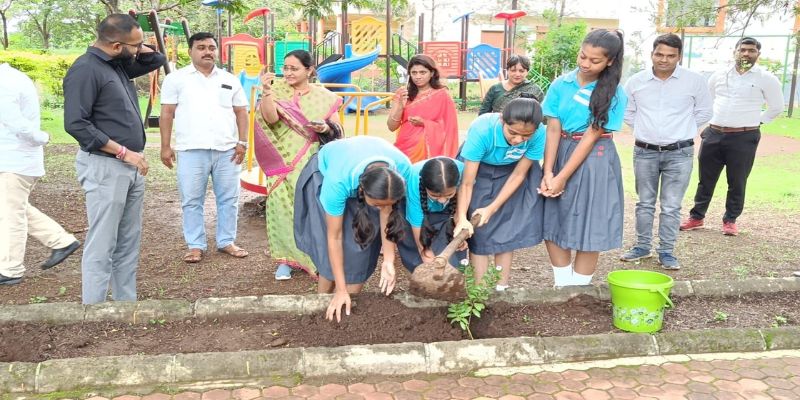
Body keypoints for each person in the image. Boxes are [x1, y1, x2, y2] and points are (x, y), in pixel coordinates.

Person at [63, 14, 166, 304]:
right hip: (106, 166)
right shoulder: (86, 70)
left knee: (128, 241)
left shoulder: (116, 64)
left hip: (130, 166)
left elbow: (157, 59)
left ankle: (125, 305)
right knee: (103, 243)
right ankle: (93, 309)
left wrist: (139, 44)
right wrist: (123, 152)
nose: (139, 51)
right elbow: (76, 124)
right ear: (117, 46)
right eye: (135, 46)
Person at [540, 29, 627, 286]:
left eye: (595, 60)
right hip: (560, 149)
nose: (586, 64)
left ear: (610, 61)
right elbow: (552, 128)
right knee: (553, 217)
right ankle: (562, 285)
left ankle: (579, 289)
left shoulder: (614, 92)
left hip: (594, 157)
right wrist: (548, 172)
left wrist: (562, 177)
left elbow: (591, 135)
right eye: (582, 56)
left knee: (591, 222)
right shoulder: (561, 84)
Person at [620, 34, 713, 270]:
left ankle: (667, 252)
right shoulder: (636, 81)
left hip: (679, 153)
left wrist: (682, 130)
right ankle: (642, 246)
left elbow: (704, 111)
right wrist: (645, 130)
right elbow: (627, 112)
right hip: (645, 151)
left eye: (671, 56)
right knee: (644, 203)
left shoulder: (694, 81)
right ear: (652, 54)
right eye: (659, 54)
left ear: (679, 56)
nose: (664, 59)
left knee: (671, 205)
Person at [294, 136, 411, 322]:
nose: (381, 208)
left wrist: (389, 260)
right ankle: (321, 307)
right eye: (377, 205)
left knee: (361, 252)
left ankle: (347, 311)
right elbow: (334, 237)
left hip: (365, 178)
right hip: (326, 172)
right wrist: (341, 289)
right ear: (362, 191)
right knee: (328, 258)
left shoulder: (402, 172)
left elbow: (386, 212)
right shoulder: (337, 183)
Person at [159, 32, 250, 263]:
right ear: (190, 51)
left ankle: (226, 241)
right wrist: (165, 146)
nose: (207, 52)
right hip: (191, 150)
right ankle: (195, 245)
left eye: (211, 47)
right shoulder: (176, 79)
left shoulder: (230, 79)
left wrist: (242, 142)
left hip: (227, 150)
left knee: (229, 199)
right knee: (191, 200)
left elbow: (241, 112)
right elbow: (167, 113)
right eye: (201, 47)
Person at [681, 37, 784, 236]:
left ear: (758, 54)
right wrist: (704, 127)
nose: (746, 54)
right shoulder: (719, 75)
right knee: (705, 179)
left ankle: (730, 220)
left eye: (751, 51)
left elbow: (777, 107)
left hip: (744, 136)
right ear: (735, 51)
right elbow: (707, 102)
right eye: (742, 49)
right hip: (713, 133)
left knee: (737, 180)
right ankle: (697, 217)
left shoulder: (766, 78)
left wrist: (757, 121)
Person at [256, 49, 343, 280]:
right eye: (285, 68)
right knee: (281, 207)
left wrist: (324, 128)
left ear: (309, 70)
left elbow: (338, 129)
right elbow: (270, 119)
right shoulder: (276, 89)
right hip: (283, 160)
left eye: (294, 68)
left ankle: (316, 257)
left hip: (311, 161)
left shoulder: (324, 97)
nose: (288, 73)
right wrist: (266, 92)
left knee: (312, 208)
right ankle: (286, 260)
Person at [0, 64, 81, 285]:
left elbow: (15, 123)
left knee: (11, 215)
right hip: (13, 160)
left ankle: (10, 269)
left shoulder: (5, 81)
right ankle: (61, 241)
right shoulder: (12, 77)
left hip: (14, 161)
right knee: (14, 208)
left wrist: (42, 138)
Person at [454, 97, 546, 291]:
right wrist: (461, 217)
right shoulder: (483, 130)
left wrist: (492, 208)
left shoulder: (539, 134)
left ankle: (501, 289)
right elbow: (467, 183)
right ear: (502, 120)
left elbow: (519, 174)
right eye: (512, 132)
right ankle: (479, 291)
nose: (518, 140)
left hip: (511, 172)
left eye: (526, 136)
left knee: (506, 229)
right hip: (479, 169)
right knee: (479, 229)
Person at [396, 157, 466, 271]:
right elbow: (419, 234)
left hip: (450, 208)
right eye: (435, 195)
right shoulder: (413, 181)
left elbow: (462, 207)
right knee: (417, 255)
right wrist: (431, 264)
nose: (442, 200)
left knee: (453, 256)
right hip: (417, 206)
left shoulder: (464, 171)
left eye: (449, 194)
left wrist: (459, 229)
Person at [387, 54, 459, 163]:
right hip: (404, 147)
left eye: (422, 72)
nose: (418, 77)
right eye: (414, 73)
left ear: (432, 73)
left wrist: (424, 123)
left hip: (428, 154)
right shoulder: (403, 93)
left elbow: (449, 129)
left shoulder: (442, 95)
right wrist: (400, 107)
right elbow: (391, 127)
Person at [478, 54, 544, 115]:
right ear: (507, 70)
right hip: (498, 123)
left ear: (527, 72)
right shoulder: (495, 89)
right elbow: (483, 115)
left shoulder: (535, 90)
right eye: (513, 70)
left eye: (521, 71)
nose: (517, 74)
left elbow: (541, 114)